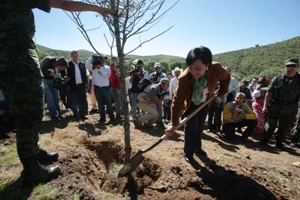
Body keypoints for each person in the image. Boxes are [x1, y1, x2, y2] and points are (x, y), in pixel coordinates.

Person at [0, 0, 114, 185]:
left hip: (8, 61)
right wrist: (97, 8)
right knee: (29, 113)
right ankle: (32, 170)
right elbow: (63, 3)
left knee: (23, 112)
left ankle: (34, 152)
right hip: (17, 60)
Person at [165, 46, 230, 164]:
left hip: (205, 102)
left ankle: (197, 147)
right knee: (191, 127)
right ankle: (188, 153)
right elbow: (178, 100)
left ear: (207, 65)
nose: (194, 72)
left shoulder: (216, 69)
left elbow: (226, 78)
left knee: (200, 126)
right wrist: (174, 123)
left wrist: (221, 92)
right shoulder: (184, 77)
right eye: (191, 68)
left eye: (198, 68)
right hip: (191, 105)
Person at [259, 58, 300, 150]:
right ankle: (265, 139)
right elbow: (269, 93)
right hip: (275, 106)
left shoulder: (299, 80)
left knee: (285, 126)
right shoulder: (278, 78)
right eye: (288, 66)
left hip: (290, 107)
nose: (290, 68)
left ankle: (279, 142)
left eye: (293, 66)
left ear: (297, 67)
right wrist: (265, 106)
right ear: (285, 67)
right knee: (270, 124)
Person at [86, 54, 115, 123]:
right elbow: (87, 65)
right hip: (97, 88)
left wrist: (100, 68)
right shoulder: (94, 67)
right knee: (100, 104)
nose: (102, 61)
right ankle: (102, 118)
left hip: (106, 88)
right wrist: (91, 57)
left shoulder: (107, 67)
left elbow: (106, 76)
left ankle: (112, 118)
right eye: (101, 59)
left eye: (104, 59)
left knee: (109, 104)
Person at [67, 51, 90, 121]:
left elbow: (87, 75)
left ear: (79, 56)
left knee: (82, 101)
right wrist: (67, 85)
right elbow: (65, 76)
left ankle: (82, 115)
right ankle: (76, 115)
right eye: (74, 56)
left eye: (77, 56)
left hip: (82, 86)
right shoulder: (68, 65)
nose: (76, 58)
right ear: (71, 57)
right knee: (73, 102)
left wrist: (88, 85)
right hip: (72, 87)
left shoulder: (83, 64)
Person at [150, 62, 167, 127]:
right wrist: (153, 81)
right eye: (156, 68)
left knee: (159, 107)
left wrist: (158, 82)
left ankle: (160, 121)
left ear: (160, 68)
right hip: (153, 92)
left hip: (160, 93)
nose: (157, 69)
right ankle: (154, 120)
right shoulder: (152, 74)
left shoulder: (164, 75)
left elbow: (166, 84)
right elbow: (149, 82)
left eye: (158, 68)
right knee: (153, 107)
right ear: (154, 68)